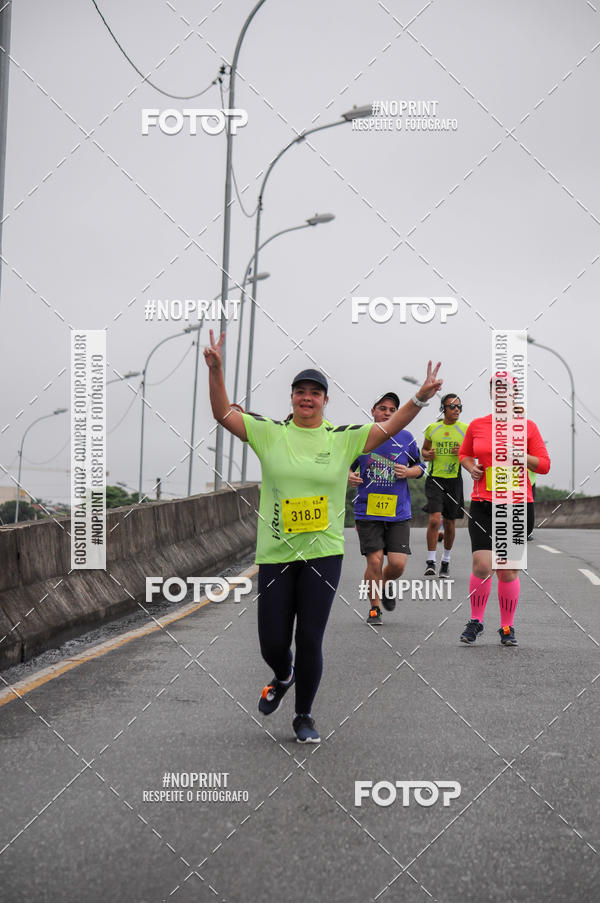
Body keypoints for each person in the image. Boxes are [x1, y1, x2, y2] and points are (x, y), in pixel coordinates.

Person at [204, 329, 442, 742]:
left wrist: (420, 398)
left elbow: (392, 426)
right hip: (277, 554)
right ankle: (282, 675)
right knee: (273, 644)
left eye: (316, 392)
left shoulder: (343, 438)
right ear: (292, 398)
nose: (307, 397)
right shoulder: (269, 432)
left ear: (325, 400)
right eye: (301, 391)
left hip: (323, 553)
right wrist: (217, 370)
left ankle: (304, 715)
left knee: (310, 638)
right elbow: (224, 415)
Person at [458, 375, 550, 646]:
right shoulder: (476, 425)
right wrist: (470, 467)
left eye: (506, 391)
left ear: (514, 395)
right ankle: (475, 620)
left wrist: (521, 456)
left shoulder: (527, 427)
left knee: (508, 570)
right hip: (483, 503)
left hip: (517, 507)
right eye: (496, 390)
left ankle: (507, 627)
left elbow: (544, 465)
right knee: (483, 565)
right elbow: (464, 454)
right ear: (490, 394)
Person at [348, 392, 424, 625]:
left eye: (392, 410)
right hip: (367, 511)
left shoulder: (406, 437)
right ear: (373, 411)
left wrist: (409, 472)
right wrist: (349, 475)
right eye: (383, 408)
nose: (387, 413)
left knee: (398, 564)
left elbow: (421, 466)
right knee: (374, 561)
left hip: (398, 512)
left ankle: (384, 583)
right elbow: (342, 465)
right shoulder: (360, 437)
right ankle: (374, 608)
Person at [421, 394, 469, 577]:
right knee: (434, 519)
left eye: (459, 406)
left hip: (454, 480)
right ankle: (431, 561)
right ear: (443, 408)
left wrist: (463, 452)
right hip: (435, 479)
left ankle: (446, 561)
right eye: (452, 406)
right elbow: (424, 451)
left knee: (449, 523)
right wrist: (428, 455)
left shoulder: (465, 429)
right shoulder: (433, 429)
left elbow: (473, 454)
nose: (456, 409)